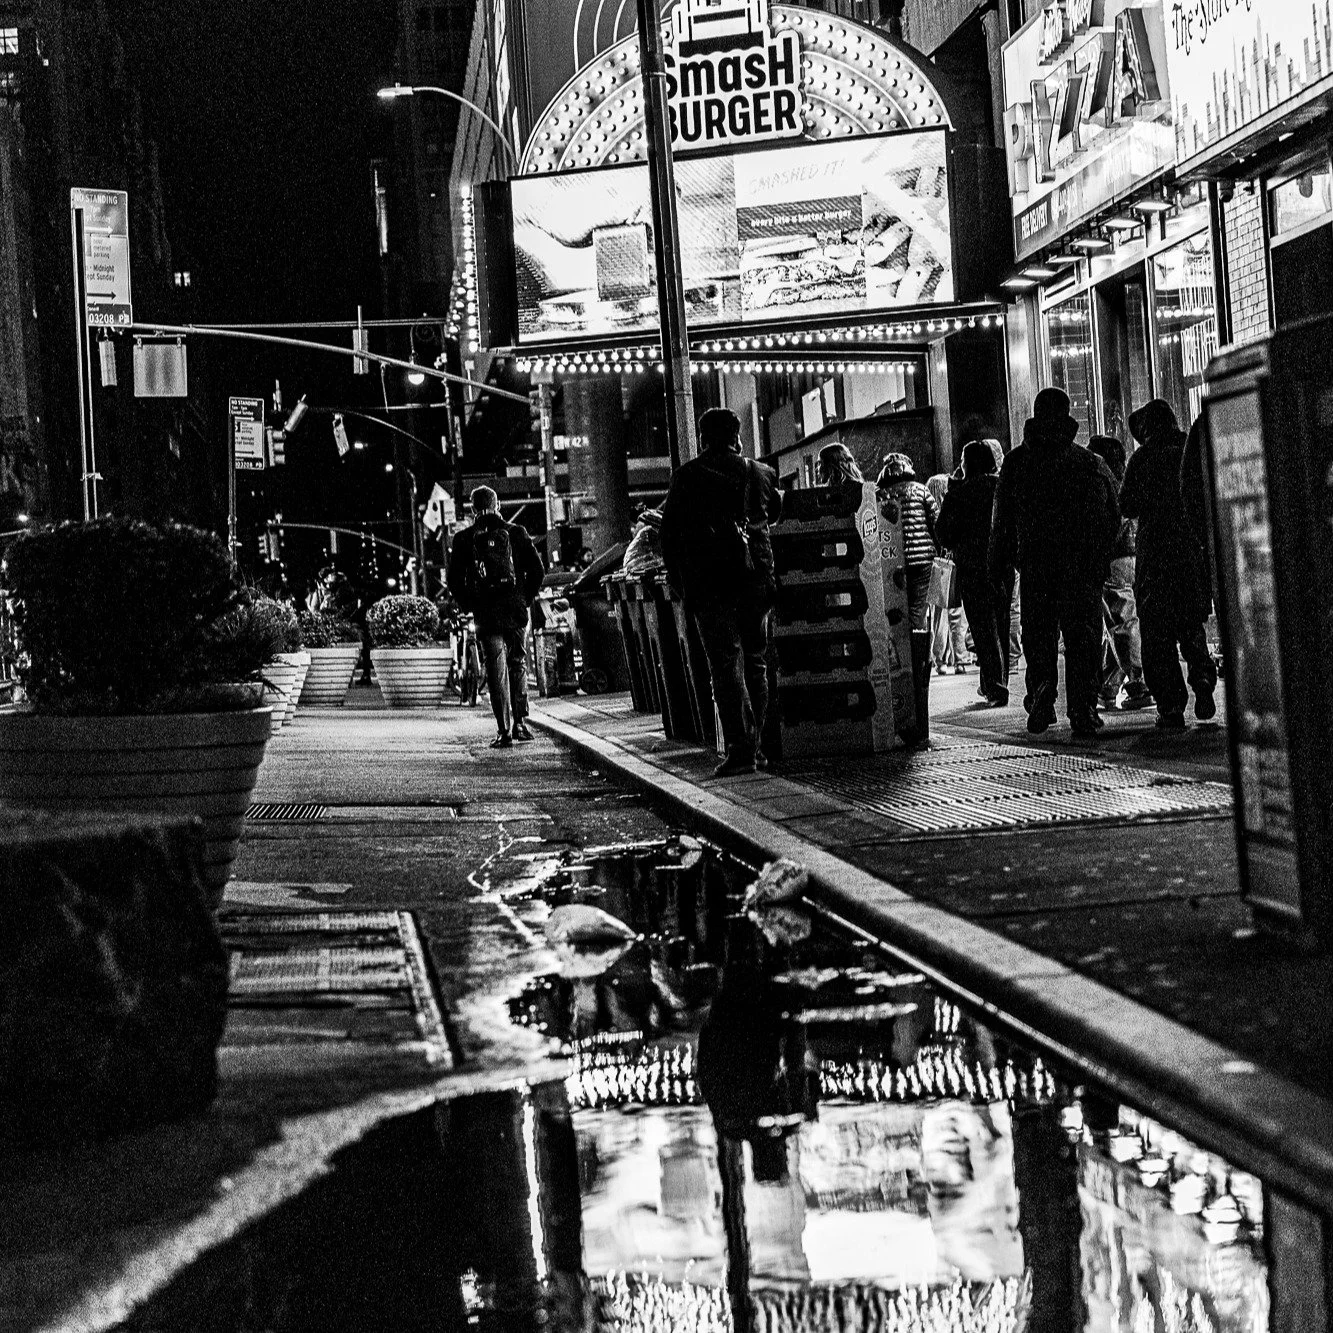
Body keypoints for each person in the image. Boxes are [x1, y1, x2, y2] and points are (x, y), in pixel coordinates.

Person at [989, 387, 1121, 738]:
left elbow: (1001, 519)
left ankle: (1043, 694)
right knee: (1083, 638)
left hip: (1036, 564)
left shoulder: (1017, 462)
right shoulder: (1088, 462)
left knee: (1038, 634)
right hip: (1081, 567)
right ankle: (1083, 707)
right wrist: (1100, 556)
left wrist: (1000, 563)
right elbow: (1113, 512)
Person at [660, 407, 782, 778]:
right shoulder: (762, 474)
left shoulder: (687, 477)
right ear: (737, 436)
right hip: (756, 582)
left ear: (702, 438)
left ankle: (740, 749)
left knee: (725, 666)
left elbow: (669, 536)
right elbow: (773, 514)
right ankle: (756, 747)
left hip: (711, 587)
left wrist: (681, 585)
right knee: (756, 661)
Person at [1120, 400, 1218, 729]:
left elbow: (1126, 504)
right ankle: (1202, 676)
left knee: (1158, 635)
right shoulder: (1188, 449)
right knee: (1191, 625)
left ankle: (1171, 706)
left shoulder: (1142, 458)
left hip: (1154, 556)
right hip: (1189, 552)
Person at [447, 485, 545, 747]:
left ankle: (503, 731)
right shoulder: (516, 533)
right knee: (518, 664)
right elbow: (538, 571)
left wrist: (470, 604)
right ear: (497, 505)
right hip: (514, 611)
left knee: (495, 670)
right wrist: (525, 598)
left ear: (472, 509)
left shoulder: (464, 539)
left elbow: (454, 581)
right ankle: (520, 724)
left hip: (486, 613)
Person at [937, 441, 1009, 706]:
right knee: (1000, 622)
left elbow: (944, 533)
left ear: (966, 463)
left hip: (972, 567)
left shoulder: (959, 493)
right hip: (1001, 565)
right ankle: (995, 681)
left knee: (982, 626)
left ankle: (994, 685)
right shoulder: (1000, 486)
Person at [1087, 435, 1152, 713]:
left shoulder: (1102, 481)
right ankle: (1109, 685)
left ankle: (1139, 682)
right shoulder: (1126, 479)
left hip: (1115, 557)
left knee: (1123, 621)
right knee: (1120, 620)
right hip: (1135, 554)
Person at [876, 452, 939, 633]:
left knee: (897, 608)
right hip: (923, 560)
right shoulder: (921, 490)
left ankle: (903, 653)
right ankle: (919, 653)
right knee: (918, 609)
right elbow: (936, 524)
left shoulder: (880, 495)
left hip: (893, 561)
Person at [926, 466, 969, 674]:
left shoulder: (929, 511)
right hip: (955, 563)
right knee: (957, 614)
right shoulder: (954, 506)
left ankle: (940, 660)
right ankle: (960, 659)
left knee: (938, 615)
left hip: (937, 564)